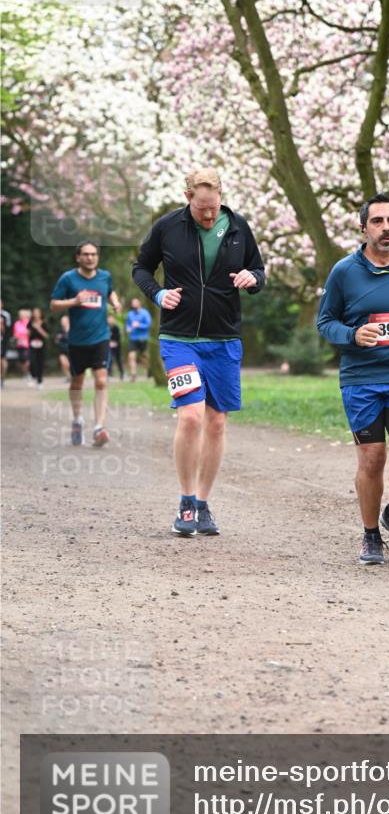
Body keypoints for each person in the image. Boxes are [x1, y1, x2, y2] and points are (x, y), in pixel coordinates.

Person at [132, 165, 266, 537]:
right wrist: (157, 293)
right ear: (188, 198)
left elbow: (258, 271)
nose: (209, 215)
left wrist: (252, 278)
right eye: (201, 208)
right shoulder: (168, 227)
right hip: (178, 339)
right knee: (190, 417)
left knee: (217, 422)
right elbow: (141, 267)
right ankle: (186, 502)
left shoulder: (238, 227)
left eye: (214, 207)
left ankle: (204, 504)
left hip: (223, 339)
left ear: (221, 198)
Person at [317, 193, 389, 565]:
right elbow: (326, 322)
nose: (386, 228)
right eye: (378, 221)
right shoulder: (344, 272)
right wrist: (352, 335)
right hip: (360, 380)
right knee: (372, 459)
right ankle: (371, 535)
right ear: (363, 227)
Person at [50, 240, 121, 446]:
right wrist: (74, 301)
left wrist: (115, 302)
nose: (90, 258)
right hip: (77, 341)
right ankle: (78, 419)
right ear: (78, 257)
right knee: (77, 382)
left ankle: (99, 427)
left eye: (93, 254)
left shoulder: (105, 276)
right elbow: (54, 305)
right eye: (86, 254)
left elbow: (110, 292)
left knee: (101, 381)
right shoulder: (68, 279)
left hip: (101, 338)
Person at [125, 297, 152, 381]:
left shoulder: (145, 313)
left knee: (144, 357)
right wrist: (128, 328)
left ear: (139, 303)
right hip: (133, 338)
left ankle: (149, 371)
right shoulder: (130, 314)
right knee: (131, 356)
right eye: (132, 303)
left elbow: (148, 325)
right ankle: (133, 375)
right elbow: (128, 324)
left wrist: (139, 325)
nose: (133, 304)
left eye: (135, 302)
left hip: (143, 338)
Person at [28, 307, 49, 388]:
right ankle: (33, 375)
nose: (36, 314)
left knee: (40, 363)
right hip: (32, 346)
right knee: (32, 361)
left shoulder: (44, 323)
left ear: (40, 313)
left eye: (37, 312)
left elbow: (47, 336)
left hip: (42, 346)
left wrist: (39, 328)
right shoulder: (30, 323)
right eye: (34, 312)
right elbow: (28, 334)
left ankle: (40, 381)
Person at [13, 308, 31, 383]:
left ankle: (29, 373)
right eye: (19, 315)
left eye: (22, 315)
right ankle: (26, 374)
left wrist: (25, 334)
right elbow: (15, 334)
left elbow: (30, 333)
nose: (20, 316)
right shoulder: (16, 323)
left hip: (27, 344)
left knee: (27, 360)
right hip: (19, 344)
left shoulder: (28, 323)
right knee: (22, 361)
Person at [54, 315, 71, 381]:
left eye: (63, 321)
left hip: (71, 350)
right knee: (64, 364)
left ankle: (72, 376)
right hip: (62, 350)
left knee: (70, 365)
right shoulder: (59, 331)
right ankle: (68, 377)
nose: (62, 322)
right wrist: (57, 339)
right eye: (61, 321)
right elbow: (56, 341)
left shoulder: (72, 330)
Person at [0, 299, 11, 386]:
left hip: (2, 341)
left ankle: (2, 379)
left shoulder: (5, 315)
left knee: (3, 360)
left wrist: (2, 326)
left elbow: (7, 330)